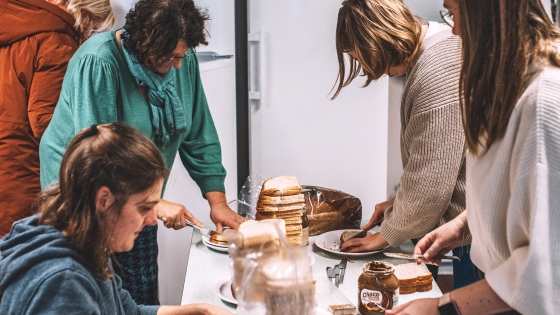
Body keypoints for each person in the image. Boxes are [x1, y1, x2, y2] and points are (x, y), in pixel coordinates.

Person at [39, 0, 246, 305]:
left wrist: (217, 202)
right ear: (145, 45)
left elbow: (198, 131)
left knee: (140, 288)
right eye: (172, 57)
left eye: (182, 55)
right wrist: (157, 203)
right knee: (97, 294)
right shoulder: (100, 61)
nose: (179, 65)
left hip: (139, 194)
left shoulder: (180, 59)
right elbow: (97, 156)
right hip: (85, 197)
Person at [388, 0, 560, 314]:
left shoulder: (544, 101)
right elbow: (514, 195)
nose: (453, 28)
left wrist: (440, 308)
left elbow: (545, 274)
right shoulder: (505, 86)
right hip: (496, 283)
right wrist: (464, 225)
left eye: (454, 12)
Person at [0, 123, 234, 315]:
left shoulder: (86, 238)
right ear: (104, 200)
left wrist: (202, 310)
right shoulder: (64, 283)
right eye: (144, 207)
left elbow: (125, 311)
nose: (153, 220)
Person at [333, 0, 475, 289]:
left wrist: (385, 234)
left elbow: (431, 182)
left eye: (362, 58)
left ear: (377, 42)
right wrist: (398, 205)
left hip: (472, 236)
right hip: (466, 226)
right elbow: (437, 158)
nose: (369, 68)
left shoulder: (437, 67)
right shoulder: (432, 52)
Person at [0, 0, 114, 238]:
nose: (90, 40)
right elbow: (45, 121)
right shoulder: (58, 42)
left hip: (6, 149)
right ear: (83, 16)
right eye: (94, 31)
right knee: (22, 252)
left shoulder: (15, 24)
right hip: (21, 164)